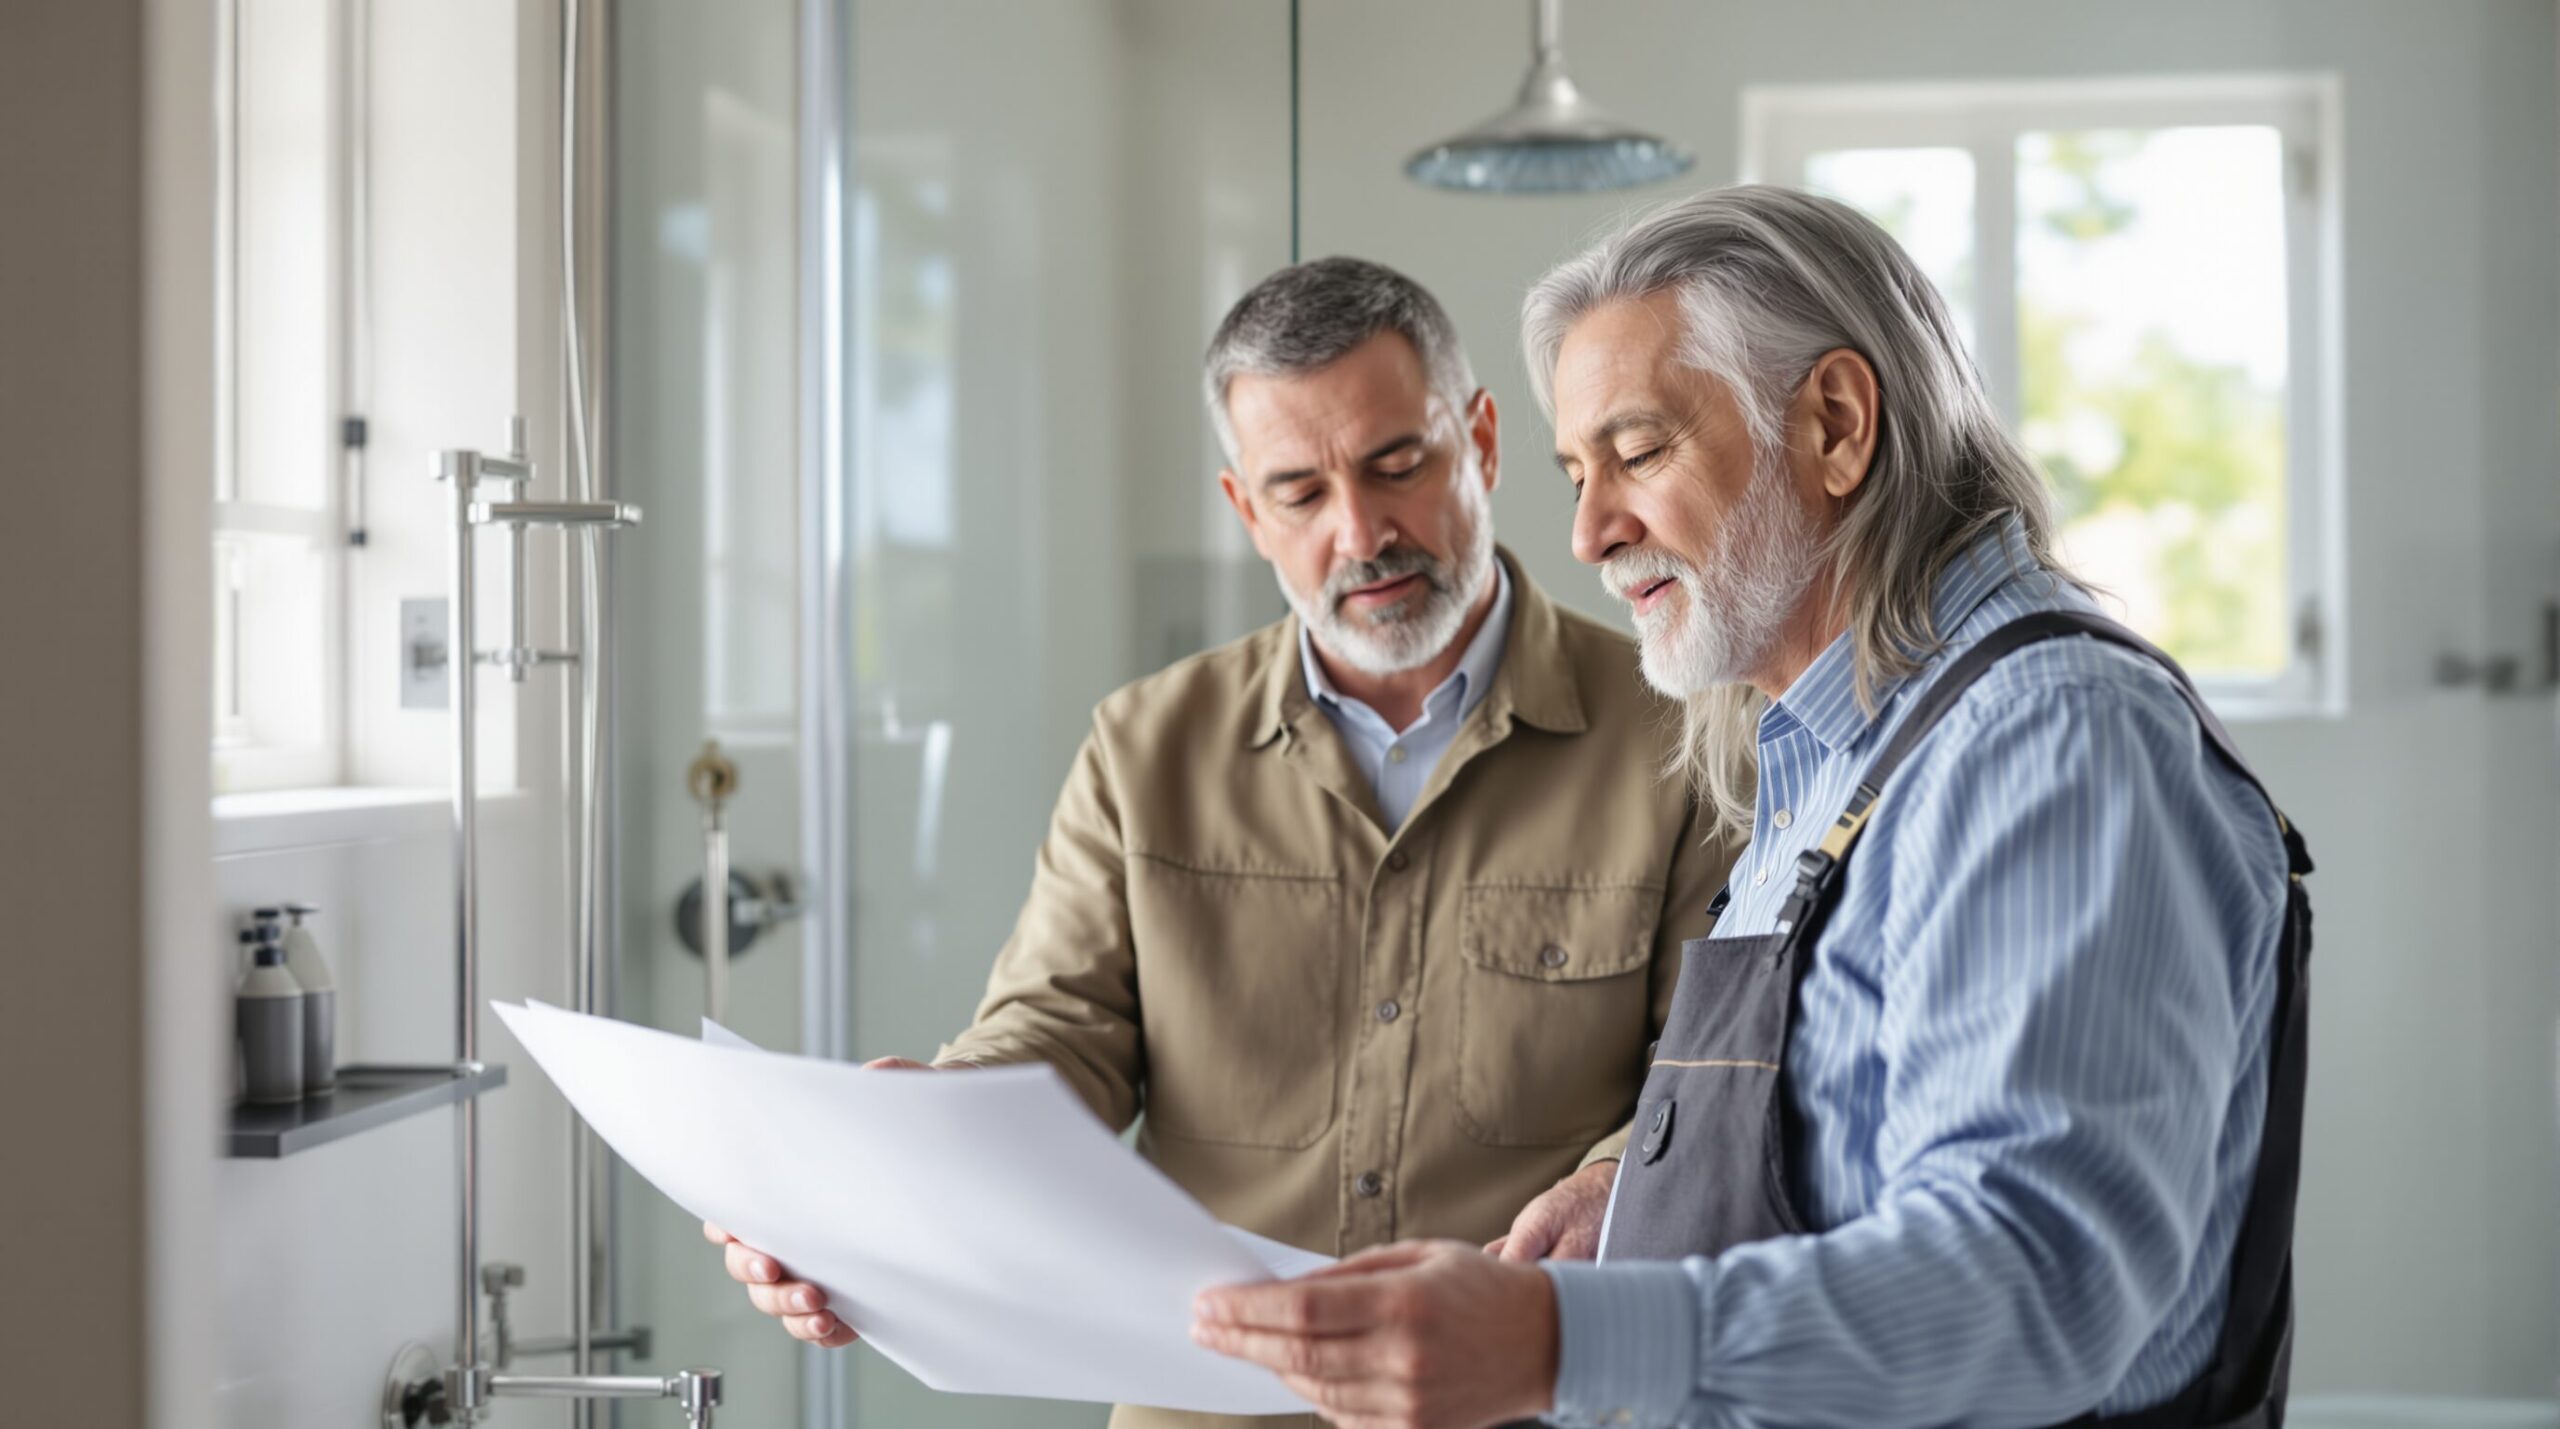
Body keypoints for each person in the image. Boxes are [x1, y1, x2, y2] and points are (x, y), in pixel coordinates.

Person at [1192, 187, 2312, 1429]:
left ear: (1834, 424)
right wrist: (1636, 1198)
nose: (1586, 531)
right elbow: (1839, 1153)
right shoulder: (1825, 749)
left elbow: (2038, 1286)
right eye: (1575, 471)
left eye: (1637, 451)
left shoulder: (2045, 736)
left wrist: (1558, 1339)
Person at [709, 256, 1733, 1429]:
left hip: (1529, 1405)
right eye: (1299, 492)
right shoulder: (1143, 746)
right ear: (1246, 510)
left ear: (1483, 442)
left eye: (1397, 465)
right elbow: (1060, 1037)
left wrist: (1612, 1181)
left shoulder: (1682, 741)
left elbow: (1707, 1072)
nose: (1362, 531)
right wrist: (916, 1145)